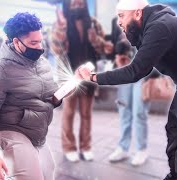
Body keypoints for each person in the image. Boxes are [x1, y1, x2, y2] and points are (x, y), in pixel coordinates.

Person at [77, 0, 177, 179]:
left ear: (137, 13)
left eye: (122, 16)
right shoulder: (146, 29)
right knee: (174, 129)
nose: (119, 21)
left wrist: (93, 77)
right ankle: (175, 176)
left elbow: (136, 71)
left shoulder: (160, 27)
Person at [0, 12, 70, 180]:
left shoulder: (43, 64)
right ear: (16, 42)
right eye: (33, 43)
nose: (40, 47)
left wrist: (63, 93)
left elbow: (49, 99)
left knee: (48, 172)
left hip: (37, 133)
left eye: (40, 41)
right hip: (12, 130)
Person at [50, 0, 109, 162]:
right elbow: (55, 48)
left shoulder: (94, 23)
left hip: (88, 75)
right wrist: (62, 28)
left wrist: (95, 39)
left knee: (86, 114)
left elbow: (104, 48)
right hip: (69, 75)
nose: (77, 4)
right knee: (68, 113)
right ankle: (69, 147)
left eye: (80, 2)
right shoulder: (60, 23)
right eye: (73, 2)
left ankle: (85, 146)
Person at [108, 39, 151, 166]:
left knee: (139, 112)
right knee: (124, 110)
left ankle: (141, 149)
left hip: (144, 70)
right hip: (126, 66)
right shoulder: (123, 22)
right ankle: (123, 148)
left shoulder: (152, 24)